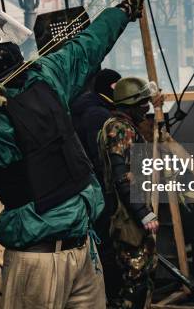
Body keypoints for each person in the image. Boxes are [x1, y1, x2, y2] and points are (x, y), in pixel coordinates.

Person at [0, 0, 145, 309]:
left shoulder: (45, 75)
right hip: (38, 260)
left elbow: (88, 45)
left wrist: (119, 13)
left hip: (83, 248)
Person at [98, 76, 160, 309]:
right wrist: (143, 212)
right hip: (127, 217)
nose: (147, 107)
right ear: (132, 104)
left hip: (129, 212)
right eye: (143, 103)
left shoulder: (122, 126)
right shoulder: (120, 129)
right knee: (135, 279)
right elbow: (121, 177)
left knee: (143, 275)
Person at [71, 68, 122, 301]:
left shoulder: (79, 108)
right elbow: (101, 157)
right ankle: (109, 294)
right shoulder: (97, 115)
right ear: (112, 88)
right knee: (104, 242)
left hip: (79, 187)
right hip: (96, 187)